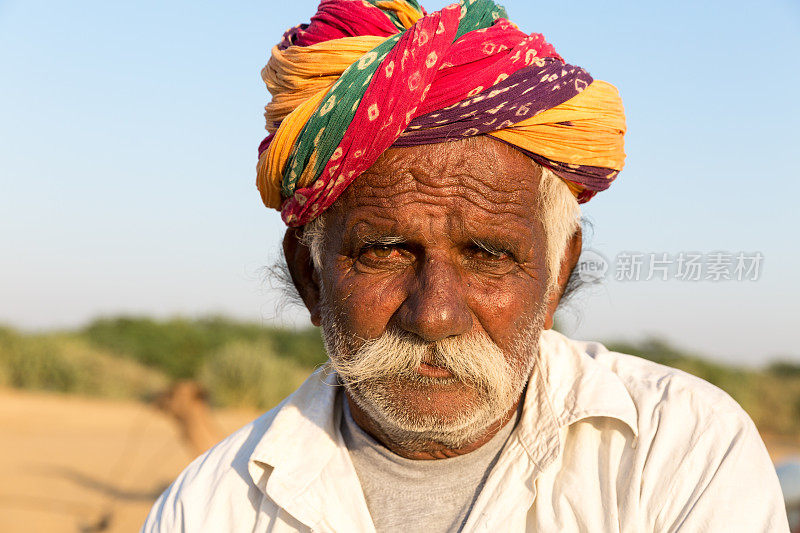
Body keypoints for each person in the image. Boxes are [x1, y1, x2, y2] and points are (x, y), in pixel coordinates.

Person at [143, 0, 789, 531]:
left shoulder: (681, 455)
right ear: (308, 275)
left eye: (488, 255)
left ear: (558, 273)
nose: (436, 313)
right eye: (385, 251)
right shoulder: (206, 510)